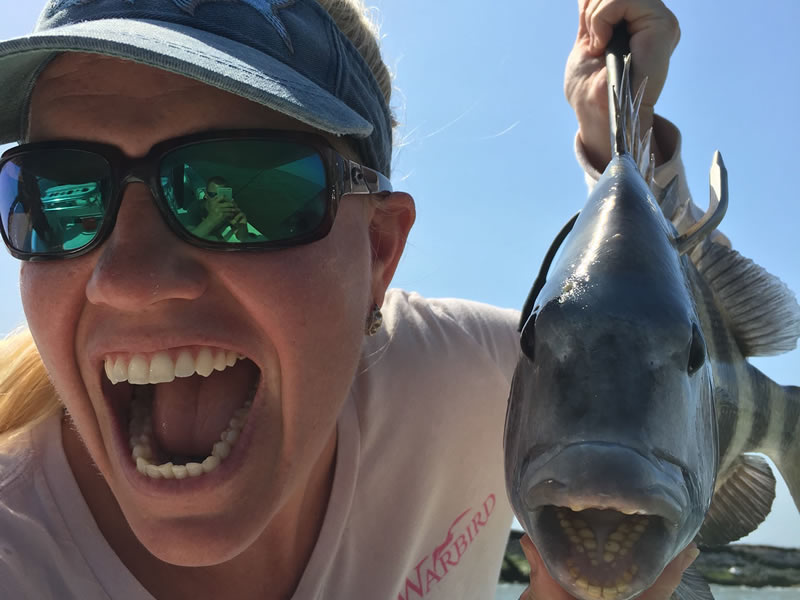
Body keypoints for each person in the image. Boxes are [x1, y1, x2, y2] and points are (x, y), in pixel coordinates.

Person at [0, 0, 700, 598]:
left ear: (378, 252)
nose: (128, 280)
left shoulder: (473, 379)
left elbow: (672, 351)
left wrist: (622, 145)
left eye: (246, 193)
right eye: (58, 198)